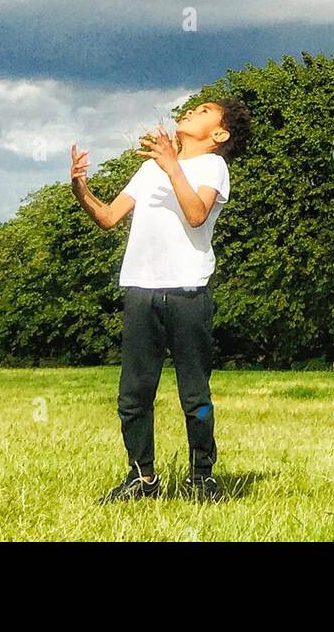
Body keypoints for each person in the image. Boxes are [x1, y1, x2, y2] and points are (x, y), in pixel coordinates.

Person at [69, 97, 251, 503]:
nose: (190, 112)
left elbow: (196, 214)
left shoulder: (213, 167)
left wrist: (172, 165)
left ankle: (202, 478)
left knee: (195, 395)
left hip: (188, 291)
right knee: (133, 394)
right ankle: (142, 479)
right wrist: (81, 188)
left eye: (203, 111)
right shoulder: (150, 167)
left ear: (219, 134)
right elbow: (107, 217)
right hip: (140, 289)